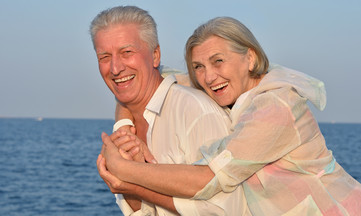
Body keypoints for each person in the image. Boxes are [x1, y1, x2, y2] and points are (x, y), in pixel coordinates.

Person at [99, 16, 361, 215]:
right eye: (198, 67)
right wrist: (124, 125)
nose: (209, 76)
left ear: (250, 58)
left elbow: (212, 177)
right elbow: (132, 84)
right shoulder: (223, 87)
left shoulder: (277, 106)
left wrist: (125, 172)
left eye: (218, 61)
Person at [90, 6, 250, 215]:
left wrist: (132, 182)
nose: (115, 68)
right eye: (104, 57)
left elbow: (228, 210)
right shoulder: (126, 128)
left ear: (155, 55)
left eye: (126, 52)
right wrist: (126, 186)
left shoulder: (194, 112)